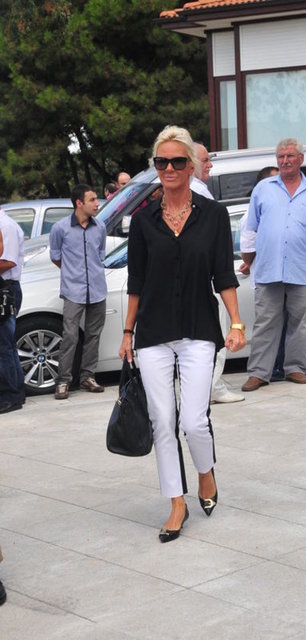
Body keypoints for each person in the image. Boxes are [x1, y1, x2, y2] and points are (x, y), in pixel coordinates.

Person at [119, 125, 246, 543]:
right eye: (162, 162)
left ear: (191, 166)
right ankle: (176, 502)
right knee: (162, 421)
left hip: (197, 327)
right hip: (152, 331)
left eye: (177, 161)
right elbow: (135, 282)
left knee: (193, 421)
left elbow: (224, 275)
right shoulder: (143, 221)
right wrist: (127, 332)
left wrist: (236, 323)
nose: (169, 168)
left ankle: (206, 472)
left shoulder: (214, 216)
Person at [241, 138, 306, 392]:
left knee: (300, 322)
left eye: (290, 156)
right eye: (281, 156)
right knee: (265, 322)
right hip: (268, 267)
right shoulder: (263, 188)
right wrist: (248, 261)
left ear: (301, 159)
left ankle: (295, 368)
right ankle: (258, 373)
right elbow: (251, 229)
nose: (285, 161)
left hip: (302, 267)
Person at [191, 141, 244, 404]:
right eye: (205, 160)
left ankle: (209, 386)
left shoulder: (196, 190)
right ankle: (212, 387)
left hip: (205, 277)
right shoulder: (196, 192)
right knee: (216, 334)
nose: (210, 165)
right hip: (209, 279)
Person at [49, 184, 107, 400]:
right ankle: (63, 381)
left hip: (98, 289)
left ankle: (87, 377)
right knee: (70, 336)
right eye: (92, 200)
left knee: (94, 335)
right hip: (73, 290)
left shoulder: (100, 227)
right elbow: (56, 257)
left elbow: (100, 254)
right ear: (79, 203)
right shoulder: (60, 228)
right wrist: (72, 273)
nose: (97, 203)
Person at [0, 206, 25, 414]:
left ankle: (11, 396)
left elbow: (8, 262)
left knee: (4, 346)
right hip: (4, 288)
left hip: (6, 290)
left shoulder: (5, 225)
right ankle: (15, 392)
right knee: (6, 344)